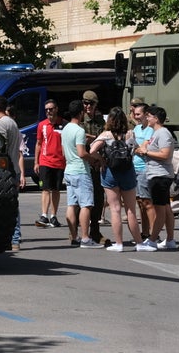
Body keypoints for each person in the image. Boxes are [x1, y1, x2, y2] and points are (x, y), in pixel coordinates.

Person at [89, 107, 143, 251]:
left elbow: (92, 150)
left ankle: (118, 243)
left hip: (110, 173)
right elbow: (135, 149)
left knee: (115, 209)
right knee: (131, 209)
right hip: (127, 172)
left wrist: (102, 160)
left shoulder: (106, 135)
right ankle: (139, 243)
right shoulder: (130, 134)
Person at [136, 105, 178, 251]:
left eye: (149, 116)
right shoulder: (156, 133)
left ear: (156, 118)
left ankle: (152, 240)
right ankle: (170, 239)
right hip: (156, 174)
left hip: (160, 175)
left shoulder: (163, 133)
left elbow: (165, 154)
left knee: (159, 209)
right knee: (165, 208)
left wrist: (146, 152)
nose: (146, 118)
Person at [60, 98, 102, 248]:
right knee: (86, 205)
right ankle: (85, 238)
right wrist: (94, 160)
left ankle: (74, 237)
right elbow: (82, 153)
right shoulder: (79, 130)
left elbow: (65, 152)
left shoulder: (65, 129)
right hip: (80, 170)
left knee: (72, 204)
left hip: (69, 169)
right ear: (80, 113)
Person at [0, 97, 25, 251]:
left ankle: (14, 238)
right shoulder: (12, 122)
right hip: (13, 169)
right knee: (11, 205)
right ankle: (13, 238)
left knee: (9, 206)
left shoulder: (3, 124)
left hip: (6, 170)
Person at [81, 90, 108, 245]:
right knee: (83, 201)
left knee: (98, 200)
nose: (88, 106)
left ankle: (95, 231)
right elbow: (81, 141)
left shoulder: (100, 121)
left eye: (91, 103)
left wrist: (94, 139)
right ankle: (79, 233)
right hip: (84, 165)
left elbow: (106, 138)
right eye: (85, 103)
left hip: (97, 165)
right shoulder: (80, 121)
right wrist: (95, 139)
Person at [33, 99, 65, 228]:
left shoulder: (63, 124)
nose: (48, 112)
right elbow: (39, 143)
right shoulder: (42, 125)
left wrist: (66, 160)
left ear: (56, 109)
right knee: (45, 189)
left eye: (51, 109)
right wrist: (36, 162)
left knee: (56, 190)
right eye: (46, 110)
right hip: (45, 161)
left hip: (59, 162)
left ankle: (53, 216)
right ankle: (44, 215)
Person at [130, 101, 154, 242]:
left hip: (145, 168)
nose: (136, 117)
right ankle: (145, 232)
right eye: (135, 114)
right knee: (140, 203)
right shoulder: (137, 128)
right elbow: (136, 148)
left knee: (147, 202)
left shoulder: (150, 130)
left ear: (146, 115)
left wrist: (137, 148)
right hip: (135, 168)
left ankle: (153, 233)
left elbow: (143, 149)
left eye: (139, 114)